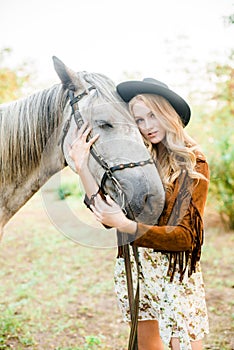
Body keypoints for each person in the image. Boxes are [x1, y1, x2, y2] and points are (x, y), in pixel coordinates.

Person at [69, 78, 210, 350]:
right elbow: (108, 213)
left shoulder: (193, 161)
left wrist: (126, 225)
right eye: (140, 120)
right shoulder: (142, 161)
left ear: (168, 113)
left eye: (152, 116)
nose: (147, 127)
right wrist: (83, 166)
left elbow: (185, 238)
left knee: (182, 345)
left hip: (173, 274)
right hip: (140, 268)